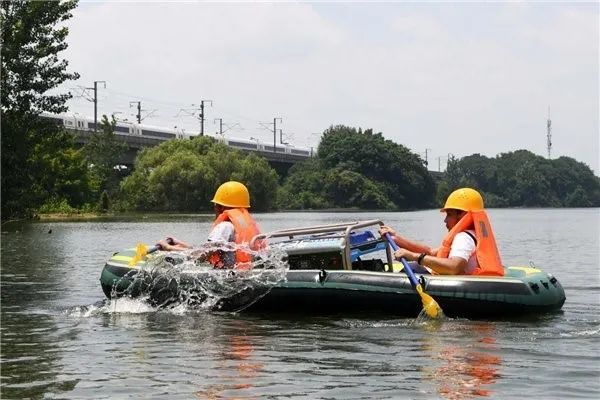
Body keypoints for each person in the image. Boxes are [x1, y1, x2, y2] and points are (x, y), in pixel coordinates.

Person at [379, 187, 504, 276]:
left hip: (460, 285)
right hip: (472, 279)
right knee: (417, 265)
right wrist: (396, 238)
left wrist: (414, 257)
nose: (445, 220)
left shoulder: (463, 238)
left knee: (413, 267)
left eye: (449, 214)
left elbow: (454, 267)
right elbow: (430, 252)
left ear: (462, 215)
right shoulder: (475, 234)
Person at [157, 181, 262, 269]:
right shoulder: (244, 226)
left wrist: (168, 248)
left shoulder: (224, 227)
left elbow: (200, 256)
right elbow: (210, 250)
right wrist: (180, 244)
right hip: (243, 272)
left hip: (228, 277)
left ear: (219, 207)